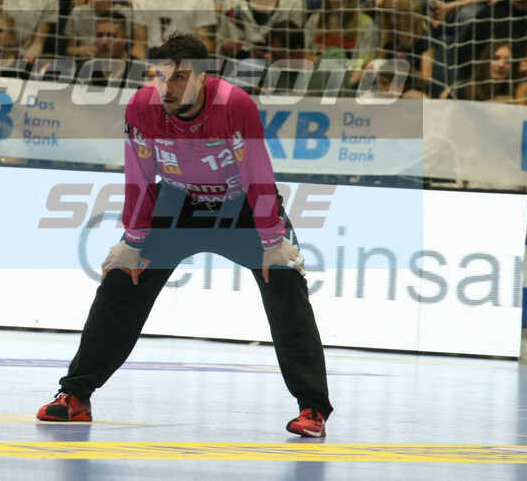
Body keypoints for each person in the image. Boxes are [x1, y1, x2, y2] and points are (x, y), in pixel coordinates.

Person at [35, 31, 333, 438]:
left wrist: (271, 241)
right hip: (178, 202)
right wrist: (132, 241)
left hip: (240, 206)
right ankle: (75, 396)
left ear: (203, 78)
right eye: (161, 76)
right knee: (123, 279)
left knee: (286, 282)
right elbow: (139, 176)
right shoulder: (142, 107)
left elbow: (257, 172)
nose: (167, 87)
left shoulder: (234, 105)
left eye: (179, 77)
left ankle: (313, 408)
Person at [304, 0, 378, 93]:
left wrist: (344, 86)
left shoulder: (365, 23)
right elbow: (306, 56)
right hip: (317, 83)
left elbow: (364, 65)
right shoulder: (314, 20)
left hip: (351, 86)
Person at [64, 0, 130, 60]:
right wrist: (78, 50)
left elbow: (130, 49)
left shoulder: (126, 13)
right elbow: (69, 49)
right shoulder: (78, 13)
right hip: (85, 63)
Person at [440, 41, 517, 102]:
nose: (501, 64)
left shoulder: (515, 94)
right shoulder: (462, 91)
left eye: (508, 61)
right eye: (496, 58)